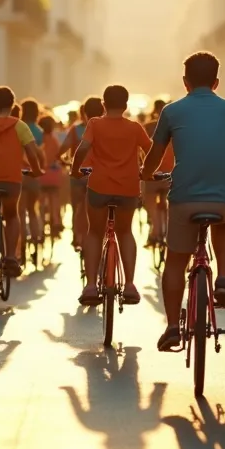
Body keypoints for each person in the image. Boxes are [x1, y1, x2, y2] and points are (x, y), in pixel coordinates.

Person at [140, 52, 225, 353]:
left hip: (185, 198)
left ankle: (173, 326)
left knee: (175, 260)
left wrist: (146, 174)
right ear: (217, 81)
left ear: (185, 82)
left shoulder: (172, 112)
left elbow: (154, 154)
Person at [72, 85, 153, 306]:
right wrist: (147, 172)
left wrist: (75, 169)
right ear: (126, 105)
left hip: (99, 187)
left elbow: (82, 149)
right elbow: (151, 150)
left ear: (103, 105)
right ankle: (129, 285)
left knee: (95, 233)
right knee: (125, 231)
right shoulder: (135, 128)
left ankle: (90, 285)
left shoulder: (95, 124)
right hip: (127, 189)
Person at [0, 86, 45, 277]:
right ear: (12, 104)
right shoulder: (20, 126)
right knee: (12, 214)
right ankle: (11, 256)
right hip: (11, 179)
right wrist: (36, 171)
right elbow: (31, 152)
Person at [62, 96, 105, 252]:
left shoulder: (76, 129)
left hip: (79, 173)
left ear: (84, 113)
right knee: (100, 209)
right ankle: (100, 237)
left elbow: (63, 148)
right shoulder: (105, 127)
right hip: (100, 175)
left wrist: (63, 160)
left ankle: (77, 237)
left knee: (77, 207)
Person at [142, 99, 173, 246]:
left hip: (152, 170)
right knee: (169, 202)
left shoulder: (148, 127)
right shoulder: (176, 126)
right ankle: (167, 229)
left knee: (149, 201)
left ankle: (155, 229)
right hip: (171, 171)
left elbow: (140, 148)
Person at [19, 98, 46, 251]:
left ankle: (21, 241)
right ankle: (36, 238)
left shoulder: (19, 128)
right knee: (32, 209)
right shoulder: (39, 131)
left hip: (20, 174)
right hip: (34, 174)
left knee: (20, 211)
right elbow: (40, 153)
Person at [37, 114, 65, 237]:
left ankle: (41, 222)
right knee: (55, 198)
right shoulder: (54, 140)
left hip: (41, 174)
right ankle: (56, 220)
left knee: (41, 200)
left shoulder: (39, 139)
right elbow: (58, 155)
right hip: (53, 174)